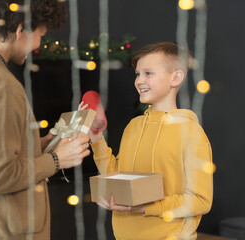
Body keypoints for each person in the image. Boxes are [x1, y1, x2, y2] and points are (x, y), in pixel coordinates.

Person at [0, 0, 90, 239]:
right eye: (41, 34)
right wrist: (57, 159)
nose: (39, 44)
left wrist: (43, 142)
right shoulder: (2, 86)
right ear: (21, 29)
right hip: (6, 230)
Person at [79, 41, 213, 239]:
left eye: (148, 73)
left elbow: (201, 201)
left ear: (175, 78)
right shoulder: (134, 126)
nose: (139, 80)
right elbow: (118, 177)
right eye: (137, 74)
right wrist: (96, 138)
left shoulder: (192, 134)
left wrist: (145, 207)